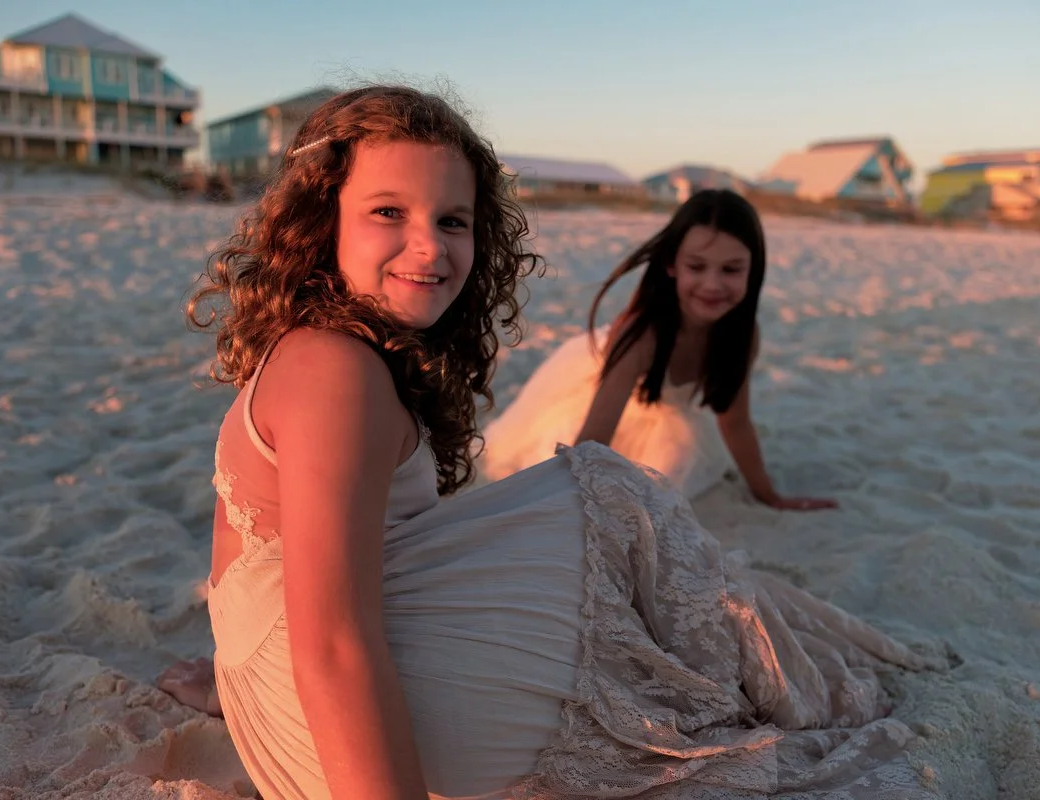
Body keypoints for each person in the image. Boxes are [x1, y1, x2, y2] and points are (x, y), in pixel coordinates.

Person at [157, 85, 943, 800]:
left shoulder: (325, 349)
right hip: (333, 720)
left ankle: (762, 653)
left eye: (452, 220)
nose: (429, 248)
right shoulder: (336, 371)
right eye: (388, 212)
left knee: (628, 530)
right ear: (322, 218)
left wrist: (235, 679)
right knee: (615, 490)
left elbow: (296, 573)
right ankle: (790, 670)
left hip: (282, 697)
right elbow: (330, 642)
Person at [479, 190, 837, 509]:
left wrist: (769, 495)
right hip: (599, 405)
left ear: (752, 271)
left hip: (670, 416)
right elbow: (591, 441)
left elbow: (736, 422)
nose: (712, 284)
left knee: (673, 477)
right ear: (671, 265)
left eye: (731, 269)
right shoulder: (641, 335)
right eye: (696, 267)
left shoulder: (743, 335)